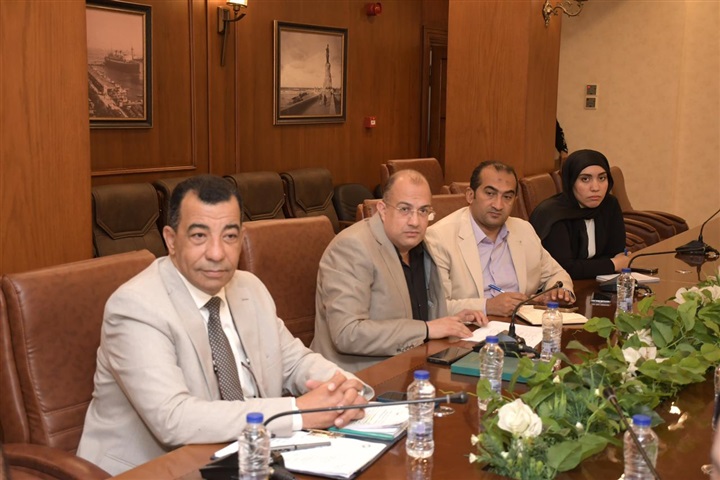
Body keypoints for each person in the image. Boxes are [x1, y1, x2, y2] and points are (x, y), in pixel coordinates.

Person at [77, 175, 370, 475]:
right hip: (155, 470)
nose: (217, 254)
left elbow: (295, 361)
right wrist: (298, 413)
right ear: (171, 240)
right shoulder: (137, 306)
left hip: (246, 458)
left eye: (229, 236)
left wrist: (344, 388)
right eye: (199, 236)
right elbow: (173, 418)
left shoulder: (249, 288)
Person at [311, 170, 487, 372]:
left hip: (417, 363)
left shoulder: (420, 244)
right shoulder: (352, 247)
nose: (415, 221)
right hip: (359, 375)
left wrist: (452, 317)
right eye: (405, 209)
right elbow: (347, 334)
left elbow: (410, 311)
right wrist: (427, 329)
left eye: (423, 211)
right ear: (382, 210)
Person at [425, 161, 574, 317]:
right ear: (470, 195)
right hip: (469, 327)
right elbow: (435, 306)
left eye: (507, 197)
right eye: (490, 194)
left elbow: (556, 274)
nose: (498, 205)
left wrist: (559, 292)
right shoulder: (438, 238)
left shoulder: (524, 230)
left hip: (523, 324)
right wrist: (487, 306)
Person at [529, 149, 629, 279]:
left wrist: (608, 263)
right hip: (559, 286)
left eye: (602, 178)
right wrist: (612, 264)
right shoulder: (552, 214)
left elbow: (616, 253)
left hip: (598, 282)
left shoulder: (609, 205)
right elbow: (563, 268)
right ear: (570, 182)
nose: (595, 188)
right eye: (585, 179)